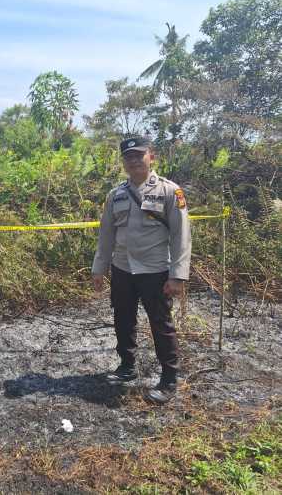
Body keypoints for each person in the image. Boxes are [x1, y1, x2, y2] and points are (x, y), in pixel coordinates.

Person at [92, 136, 191, 404]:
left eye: (139, 154)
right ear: (123, 162)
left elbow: (181, 236)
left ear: (152, 156)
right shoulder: (116, 195)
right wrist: (99, 269)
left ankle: (169, 379)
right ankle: (127, 366)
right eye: (128, 157)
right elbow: (106, 235)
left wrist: (177, 275)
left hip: (156, 270)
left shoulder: (170, 191)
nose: (134, 160)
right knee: (123, 319)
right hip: (123, 268)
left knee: (161, 324)